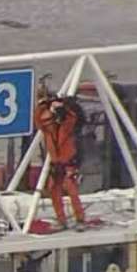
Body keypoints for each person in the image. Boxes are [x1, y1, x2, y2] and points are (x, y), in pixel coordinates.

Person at [33, 85, 86, 231]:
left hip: (68, 162)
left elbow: (71, 118)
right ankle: (61, 219)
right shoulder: (48, 128)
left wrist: (64, 106)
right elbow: (39, 120)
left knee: (71, 190)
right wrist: (42, 104)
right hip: (56, 162)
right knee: (53, 190)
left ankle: (80, 219)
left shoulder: (66, 126)